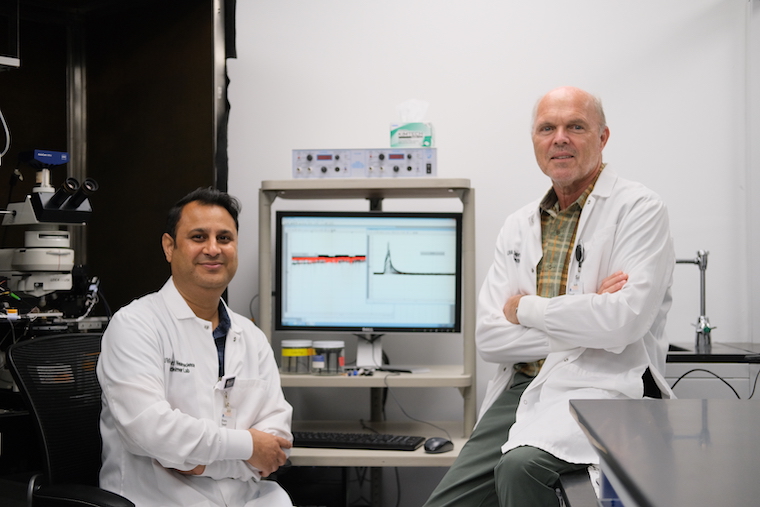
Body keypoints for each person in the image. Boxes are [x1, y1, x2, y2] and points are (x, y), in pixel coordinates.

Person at [423, 86, 675, 507]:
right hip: (522, 383)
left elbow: (624, 322)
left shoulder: (640, 209)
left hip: (601, 383)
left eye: (575, 126)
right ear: (535, 141)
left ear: (602, 137)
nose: (560, 138)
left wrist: (525, 309)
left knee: (522, 469)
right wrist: (588, 313)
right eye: (547, 128)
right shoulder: (518, 225)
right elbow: (489, 338)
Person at [97, 187, 294, 506]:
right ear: (169, 247)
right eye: (199, 237)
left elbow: (276, 443)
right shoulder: (135, 325)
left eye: (225, 238)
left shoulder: (251, 336)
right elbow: (151, 431)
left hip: (251, 497)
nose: (213, 249)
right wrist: (247, 447)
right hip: (158, 499)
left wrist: (201, 463)